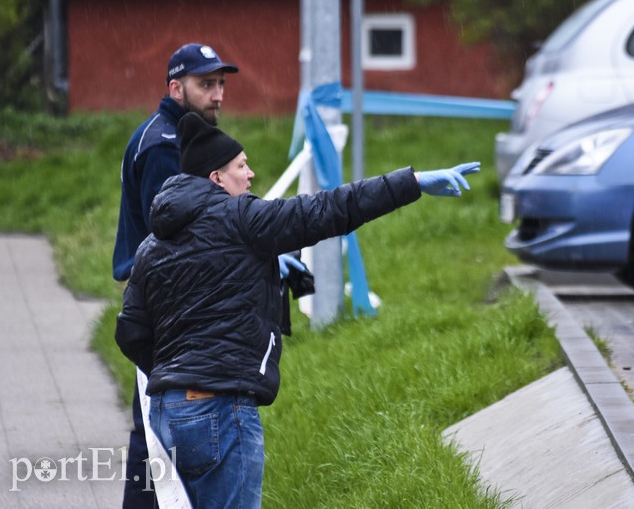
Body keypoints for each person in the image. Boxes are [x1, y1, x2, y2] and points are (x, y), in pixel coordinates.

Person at [115, 112, 480, 508]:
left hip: (168, 416)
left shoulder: (153, 245)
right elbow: (329, 208)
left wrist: (177, 374)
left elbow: (131, 331)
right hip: (221, 410)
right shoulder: (243, 218)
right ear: (216, 178)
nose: (251, 175)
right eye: (241, 166)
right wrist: (412, 182)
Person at [112, 42, 238, 508]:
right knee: (158, 440)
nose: (218, 94)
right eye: (206, 84)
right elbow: (173, 235)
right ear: (175, 87)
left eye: (221, 83)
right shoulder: (165, 146)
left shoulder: (175, 135)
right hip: (166, 307)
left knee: (159, 435)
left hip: (167, 302)